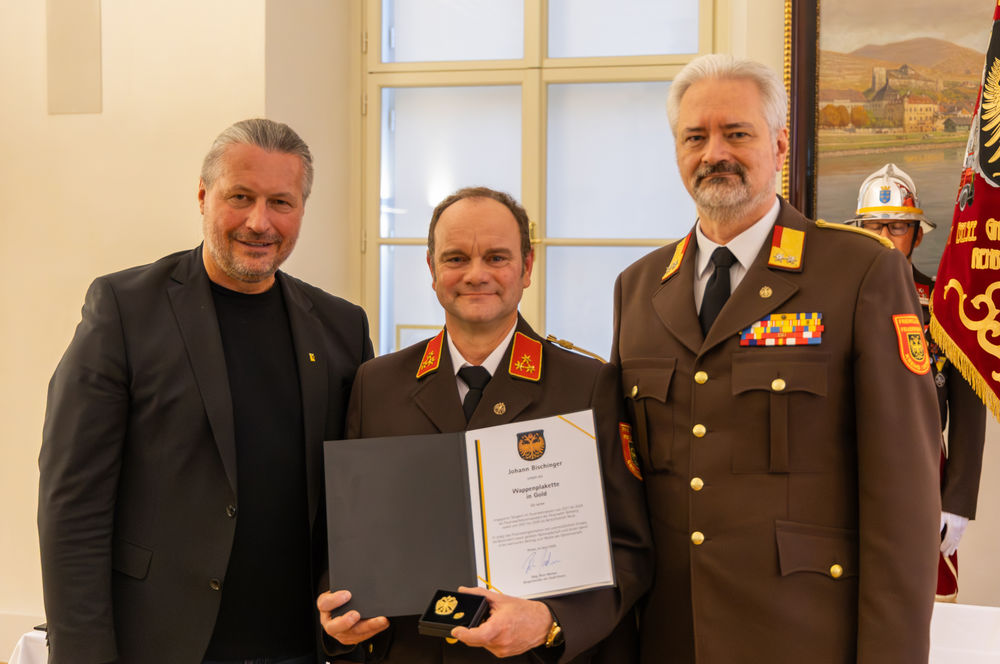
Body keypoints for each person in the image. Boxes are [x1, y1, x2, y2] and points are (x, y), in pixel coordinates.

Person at [611, 54, 941, 663]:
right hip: (670, 639)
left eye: (737, 133)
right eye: (695, 137)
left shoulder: (861, 273)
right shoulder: (639, 288)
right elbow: (623, 486)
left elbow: (904, 500)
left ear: (780, 144)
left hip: (803, 635)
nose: (714, 153)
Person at [38, 118, 374, 664]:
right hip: (160, 645)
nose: (259, 222)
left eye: (281, 202)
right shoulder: (124, 310)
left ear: (301, 210)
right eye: (240, 197)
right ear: (202, 196)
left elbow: (358, 493)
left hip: (302, 647)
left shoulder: (342, 327)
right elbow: (72, 505)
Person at [317, 186, 653, 662]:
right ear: (432, 269)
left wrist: (552, 622)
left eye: (497, 257)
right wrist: (339, 618)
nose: (476, 274)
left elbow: (629, 548)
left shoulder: (587, 385)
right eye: (456, 258)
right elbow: (349, 535)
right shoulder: (377, 383)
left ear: (527, 267)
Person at [845, 163, 987, 601]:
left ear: (918, 235)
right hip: (845, 465)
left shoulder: (946, 305)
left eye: (898, 227)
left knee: (924, 599)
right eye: (874, 227)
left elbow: (969, 412)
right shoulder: (833, 302)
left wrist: (957, 501)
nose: (885, 238)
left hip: (923, 467)